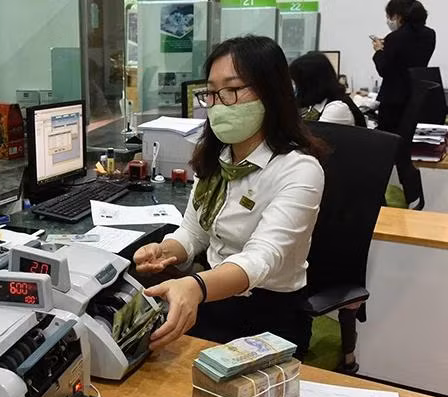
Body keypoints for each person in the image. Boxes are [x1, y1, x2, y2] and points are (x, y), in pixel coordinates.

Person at [133, 36, 328, 357]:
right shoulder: (216, 158)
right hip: (211, 302)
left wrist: (195, 286)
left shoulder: (299, 170)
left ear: (270, 91)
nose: (219, 103)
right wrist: (166, 250)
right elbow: (193, 233)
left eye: (232, 90)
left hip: (269, 318)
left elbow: (260, 260)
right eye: (211, 92)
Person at [372, 0, 435, 206]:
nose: (389, 21)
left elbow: (384, 69)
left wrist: (379, 50)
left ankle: (378, 200)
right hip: (415, 97)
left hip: (393, 99)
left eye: (390, 16)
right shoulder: (430, 35)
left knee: (382, 150)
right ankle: (414, 196)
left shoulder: (394, 38)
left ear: (398, 16)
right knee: (404, 151)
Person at [290, 52, 367, 127]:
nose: (295, 88)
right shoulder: (319, 102)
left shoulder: (336, 108)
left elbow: (313, 135)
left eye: (297, 83)